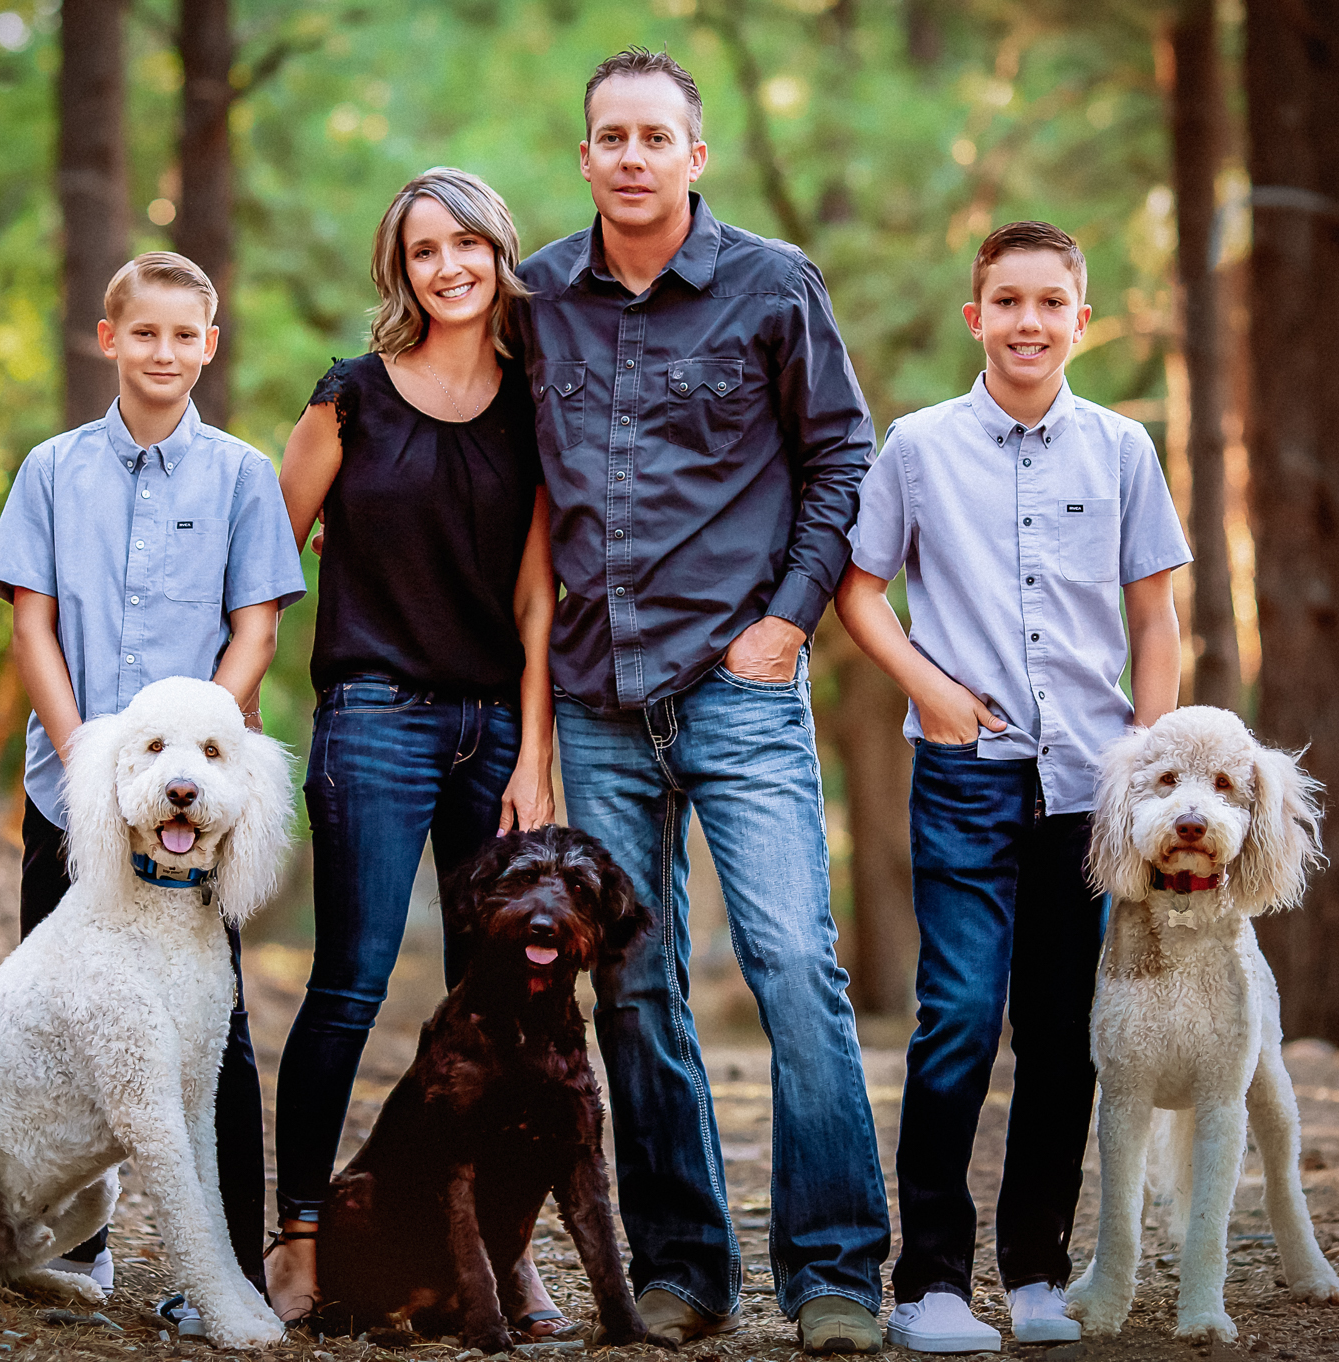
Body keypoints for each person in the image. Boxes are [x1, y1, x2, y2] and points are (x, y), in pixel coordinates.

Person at [516, 48, 887, 1356]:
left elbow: (843, 457)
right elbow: (480, 448)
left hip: (738, 682)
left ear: (695, 153)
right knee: (634, 984)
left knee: (793, 963)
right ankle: (683, 1268)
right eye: (607, 135)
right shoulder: (537, 297)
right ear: (584, 157)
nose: (630, 156)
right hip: (597, 693)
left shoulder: (774, 285)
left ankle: (837, 1272)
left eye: (653, 136)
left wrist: (787, 620)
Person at [833, 220, 1189, 1353]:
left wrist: (1147, 757)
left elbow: (1153, 616)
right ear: (972, 316)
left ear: (1081, 320)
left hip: (1092, 791)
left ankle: (1035, 1273)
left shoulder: (1123, 449)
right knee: (954, 1023)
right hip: (962, 776)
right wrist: (927, 691)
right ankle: (926, 1284)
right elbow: (856, 591)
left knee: (1059, 1027)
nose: (1027, 321)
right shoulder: (918, 446)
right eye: (1007, 301)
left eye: (1050, 302)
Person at [0, 251, 307, 1315]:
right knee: (61, 1016)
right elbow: (31, 621)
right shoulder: (51, 470)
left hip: (192, 814)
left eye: (185, 335)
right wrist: (83, 757)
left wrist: (191, 749)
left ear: (207, 345)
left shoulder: (242, 476)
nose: (164, 352)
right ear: (109, 338)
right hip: (66, 787)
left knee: (213, 1032)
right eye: (145, 333)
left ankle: (225, 1271)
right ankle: (69, 1245)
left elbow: (255, 627)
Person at [267, 168, 564, 1332]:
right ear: (401, 270)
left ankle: (495, 1249)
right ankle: (296, 1236)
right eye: (423, 250)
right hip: (373, 719)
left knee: (499, 1004)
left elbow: (538, 600)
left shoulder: (536, 403)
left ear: (497, 253)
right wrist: (234, 695)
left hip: (495, 726)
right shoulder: (347, 400)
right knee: (347, 981)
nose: (448, 266)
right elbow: (264, 563)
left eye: (466, 245)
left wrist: (534, 751)